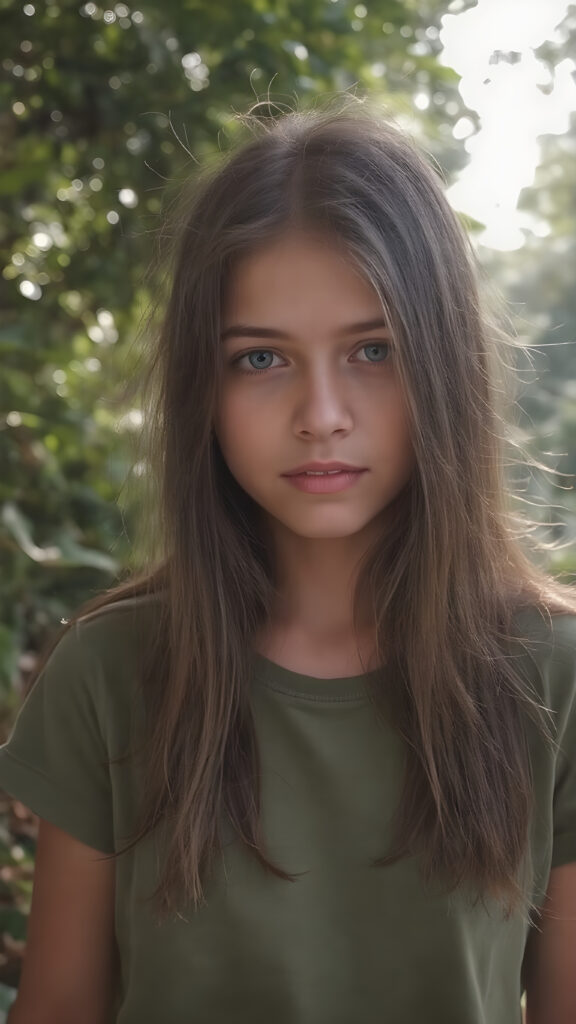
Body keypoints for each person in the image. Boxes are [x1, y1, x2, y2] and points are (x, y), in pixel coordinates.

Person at [0, 96, 575, 1024]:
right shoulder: (111, 675)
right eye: (262, 359)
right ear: (204, 387)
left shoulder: (554, 675)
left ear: (445, 364)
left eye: (373, 350)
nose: (322, 413)